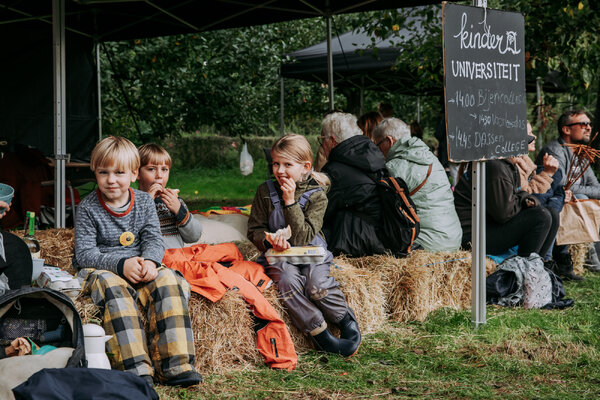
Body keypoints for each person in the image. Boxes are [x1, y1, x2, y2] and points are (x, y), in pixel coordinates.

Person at [73, 136, 201, 388]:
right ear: (94, 172)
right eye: (103, 172)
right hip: (102, 268)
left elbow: (154, 239)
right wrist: (122, 265)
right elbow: (84, 254)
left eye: (119, 172)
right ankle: (135, 368)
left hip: (141, 262)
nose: (111, 180)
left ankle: (175, 364)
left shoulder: (143, 202)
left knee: (168, 280)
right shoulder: (87, 208)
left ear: (133, 174)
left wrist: (151, 262)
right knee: (112, 286)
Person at [247, 134, 361, 357]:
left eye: (287, 164)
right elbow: (254, 229)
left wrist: (289, 202)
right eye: (276, 164)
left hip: (311, 253)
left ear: (305, 167)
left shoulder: (316, 195)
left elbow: (303, 236)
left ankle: (343, 318)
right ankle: (319, 332)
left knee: (315, 284)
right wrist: (268, 238)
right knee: (287, 282)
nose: (280, 170)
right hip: (280, 256)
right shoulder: (265, 192)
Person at [371, 117, 462, 252]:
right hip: (453, 239)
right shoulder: (431, 158)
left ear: (389, 141)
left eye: (377, 145)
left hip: (427, 247)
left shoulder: (394, 168)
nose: (377, 150)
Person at [453, 157, 558, 261]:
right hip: (474, 236)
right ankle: (522, 272)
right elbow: (504, 214)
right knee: (541, 217)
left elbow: (511, 199)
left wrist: (525, 198)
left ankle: (537, 266)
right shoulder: (496, 167)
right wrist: (524, 199)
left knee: (551, 213)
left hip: (488, 225)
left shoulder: (506, 165)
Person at [536, 110, 597, 278]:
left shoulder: (582, 153)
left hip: (564, 199)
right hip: (548, 200)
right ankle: (555, 260)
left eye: (589, 124)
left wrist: (578, 191)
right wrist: (581, 192)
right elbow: (560, 185)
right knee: (575, 199)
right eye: (583, 124)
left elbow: (596, 187)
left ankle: (590, 260)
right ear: (566, 130)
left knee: (582, 198)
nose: (589, 128)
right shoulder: (555, 150)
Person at [320, 111, 388, 256]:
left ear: (332, 140)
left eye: (322, 141)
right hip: (385, 235)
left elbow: (321, 212)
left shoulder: (334, 170)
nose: (322, 146)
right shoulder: (374, 157)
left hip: (357, 242)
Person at [137, 143, 202, 249]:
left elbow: (194, 236)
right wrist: (146, 202)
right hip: (149, 261)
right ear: (137, 174)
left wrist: (179, 210)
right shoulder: (131, 203)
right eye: (151, 169)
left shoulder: (175, 201)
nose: (159, 175)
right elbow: (128, 236)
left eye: (164, 169)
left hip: (176, 259)